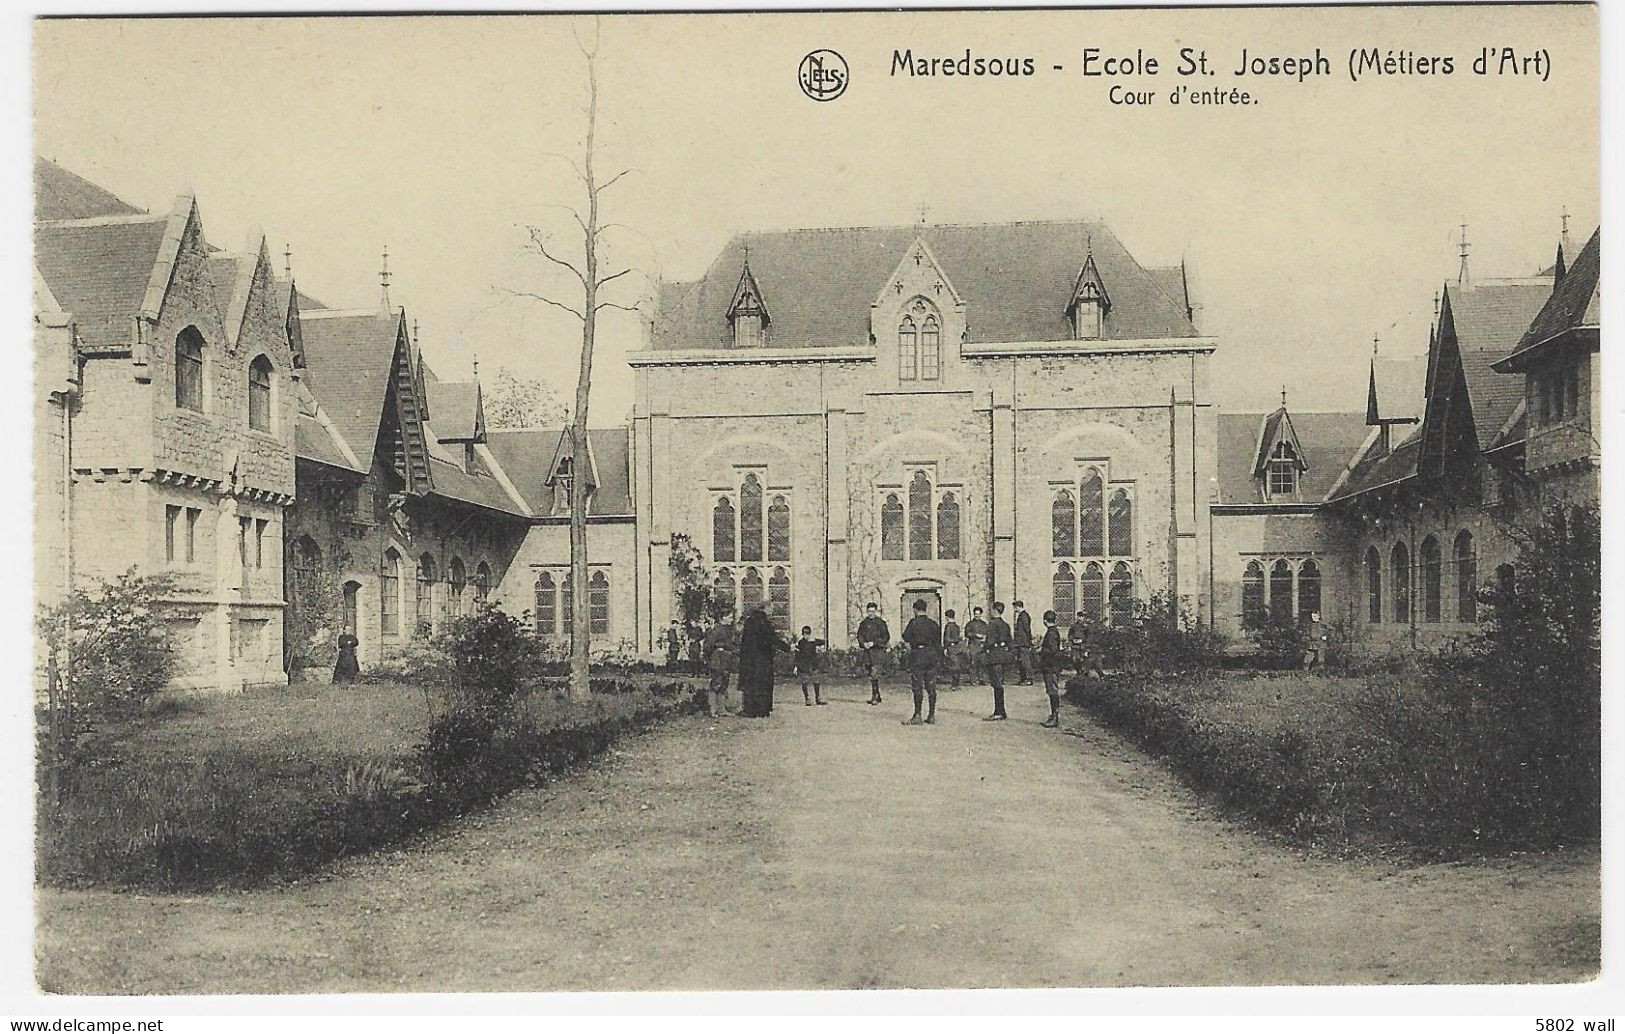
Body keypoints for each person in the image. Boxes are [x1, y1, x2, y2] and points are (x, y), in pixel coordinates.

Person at [738, 609, 788, 718]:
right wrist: (787, 647)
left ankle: (750, 710)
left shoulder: (749, 624)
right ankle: (763, 710)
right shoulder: (765, 624)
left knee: (751, 685)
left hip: (750, 660)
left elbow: (744, 643)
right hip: (764, 660)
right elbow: (773, 639)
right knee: (764, 685)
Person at [900, 598, 942, 725]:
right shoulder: (933, 624)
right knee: (931, 686)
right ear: (925, 609)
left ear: (915, 610)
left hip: (918, 655)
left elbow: (905, 637)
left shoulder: (913, 623)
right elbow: (938, 642)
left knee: (917, 686)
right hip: (931, 655)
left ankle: (917, 715)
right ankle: (931, 715)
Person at [702, 612, 738, 717]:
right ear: (723, 618)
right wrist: (711, 657)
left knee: (724, 684)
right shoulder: (716, 629)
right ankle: (712, 710)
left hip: (726, 660)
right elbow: (708, 646)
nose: (731, 619)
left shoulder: (729, 630)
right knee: (716, 684)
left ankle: (722, 710)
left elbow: (731, 645)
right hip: (718, 660)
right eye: (730, 617)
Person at [982, 601, 1013, 720]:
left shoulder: (992, 624)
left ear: (995, 610)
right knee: (999, 683)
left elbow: (989, 641)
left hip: (994, 656)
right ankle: (1001, 711)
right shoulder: (1005, 625)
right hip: (1003, 655)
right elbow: (1010, 641)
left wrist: (984, 648)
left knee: (996, 684)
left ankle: (998, 712)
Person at [856, 602, 891, 705]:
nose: (870, 613)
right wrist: (863, 643)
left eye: (872, 611)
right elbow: (860, 635)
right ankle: (877, 694)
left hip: (877, 652)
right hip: (867, 652)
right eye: (869, 611)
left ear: (876, 611)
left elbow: (886, 637)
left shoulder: (881, 623)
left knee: (874, 673)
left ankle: (874, 696)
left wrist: (874, 643)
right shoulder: (864, 623)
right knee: (869, 672)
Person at [1038, 610, 1065, 728]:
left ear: (1045, 620)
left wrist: (1041, 650)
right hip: (1051, 666)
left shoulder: (1051, 633)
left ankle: (1055, 718)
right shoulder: (1053, 631)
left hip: (1051, 666)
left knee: (1052, 691)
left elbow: (1052, 650)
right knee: (1051, 691)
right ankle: (1053, 715)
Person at [794, 626, 828, 705]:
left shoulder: (813, 641)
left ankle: (818, 698)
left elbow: (824, 642)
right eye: (805, 634)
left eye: (808, 634)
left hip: (813, 664)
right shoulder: (801, 643)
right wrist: (796, 666)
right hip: (804, 665)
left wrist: (819, 644)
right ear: (803, 634)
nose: (807, 636)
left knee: (816, 680)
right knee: (805, 681)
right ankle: (807, 699)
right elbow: (797, 655)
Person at [1069, 611, 1106, 680]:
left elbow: (1089, 637)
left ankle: (1086, 675)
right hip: (1075, 646)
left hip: (1083, 646)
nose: (1080, 618)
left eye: (1082, 616)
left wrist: (1083, 642)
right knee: (1075, 660)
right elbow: (1070, 634)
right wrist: (1073, 640)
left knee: (1086, 661)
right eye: (1079, 616)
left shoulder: (1087, 627)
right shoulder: (1074, 626)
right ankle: (1079, 673)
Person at [962, 606, 988, 684]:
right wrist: (976, 635)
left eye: (978, 614)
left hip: (982, 645)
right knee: (973, 663)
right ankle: (973, 679)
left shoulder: (984, 624)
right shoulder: (970, 624)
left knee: (982, 663)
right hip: (973, 645)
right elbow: (967, 633)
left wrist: (985, 638)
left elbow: (987, 633)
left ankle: (981, 678)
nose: (977, 616)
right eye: (976, 614)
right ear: (973, 614)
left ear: (981, 614)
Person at [1012, 600, 1035, 685]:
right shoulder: (1021, 616)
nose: (1014, 609)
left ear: (1018, 607)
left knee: (1025, 661)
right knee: (1021, 661)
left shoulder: (1024, 616)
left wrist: (1028, 641)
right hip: (1020, 642)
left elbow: (1027, 629)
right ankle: (1023, 678)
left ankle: (1029, 678)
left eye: (1015, 607)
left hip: (1023, 642)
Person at [941, 609, 964, 688]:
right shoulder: (956, 626)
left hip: (951, 647)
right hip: (957, 647)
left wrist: (945, 648)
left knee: (953, 666)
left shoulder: (948, 626)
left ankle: (954, 684)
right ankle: (956, 683)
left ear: (947, 617)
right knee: (957, 665)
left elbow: (946, 638)